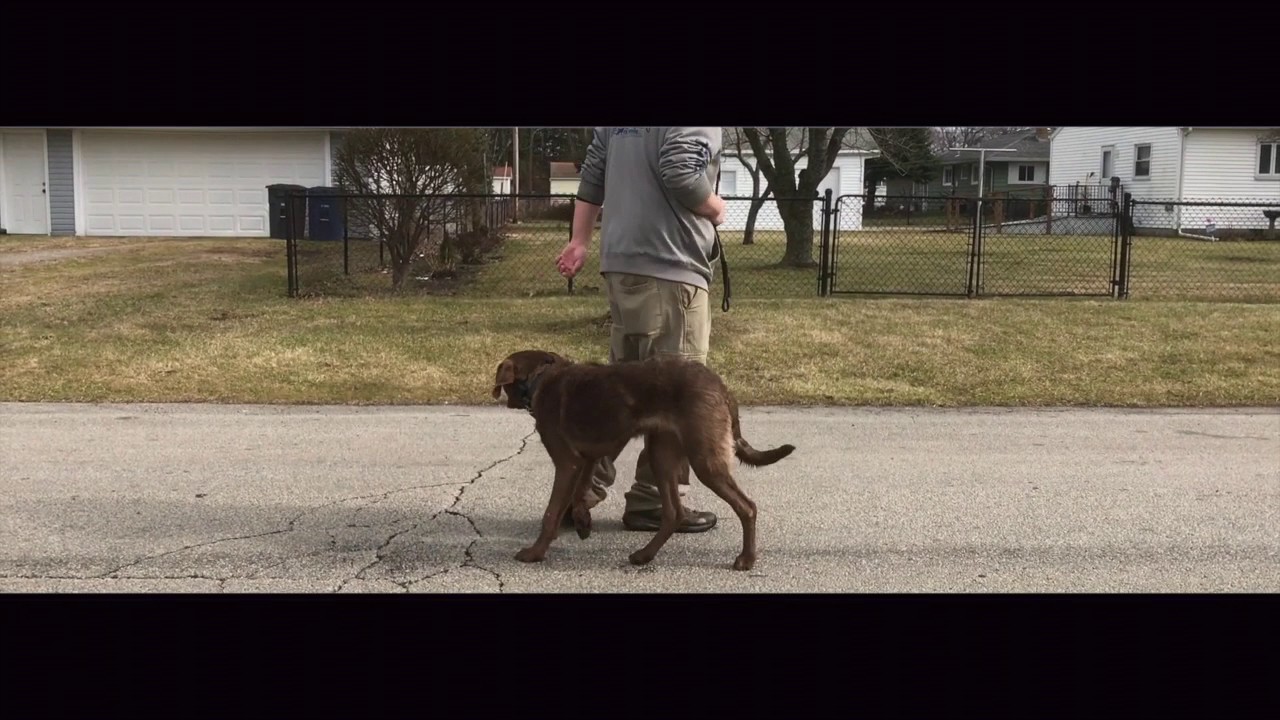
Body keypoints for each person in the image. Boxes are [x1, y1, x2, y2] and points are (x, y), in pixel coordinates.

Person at [554, 127, 727, 534]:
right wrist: (714, 206)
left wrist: (579, 240)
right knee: (676, 396)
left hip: (621, 263)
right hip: (671, 264)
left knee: (619, 394)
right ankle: (655, 502)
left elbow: (594, 172)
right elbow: (680, 170)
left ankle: (578, 492)